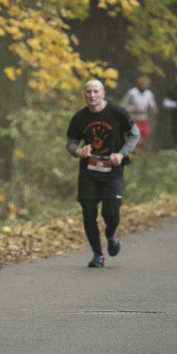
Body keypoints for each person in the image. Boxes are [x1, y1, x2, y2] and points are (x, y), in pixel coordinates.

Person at [66, 79, 140, 267]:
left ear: (103, 94)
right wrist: (78, 152)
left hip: (112, 171)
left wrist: (122, 154)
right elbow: (71, 142)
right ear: (84, 94)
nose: (92, 95)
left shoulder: (117, 113)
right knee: (89, 213)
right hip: (89, 172)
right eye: (88, 92)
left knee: (111, 212)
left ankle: (111, 233)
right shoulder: (80, 117)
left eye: (95, 92)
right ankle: (98, 255)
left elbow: (135, 134)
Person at [122, 76, 157, 147]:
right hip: (133, 118)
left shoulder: (149, 94)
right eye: (143, 83)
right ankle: (133, 152)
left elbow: (153, 104)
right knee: (136, 136)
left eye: (146, 84)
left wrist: (153, 108)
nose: (144, 85)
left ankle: (140, 153)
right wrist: (132, 109)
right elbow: (123, 104)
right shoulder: (132, 92)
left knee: (145, 136)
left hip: (144, 118)